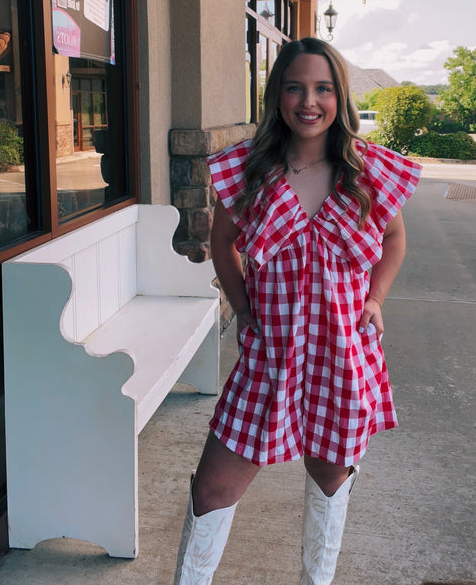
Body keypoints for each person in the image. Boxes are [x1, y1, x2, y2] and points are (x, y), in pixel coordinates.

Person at [173, 37, 421, 585]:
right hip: (271, 355)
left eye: (323, 88)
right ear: (277, 97)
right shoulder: (248, 170)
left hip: (342, 355)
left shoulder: (369, 172)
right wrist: (242, 309)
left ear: (340, 97)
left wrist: (375, 299)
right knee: (213, 486)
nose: (309, 101)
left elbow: (396, 239)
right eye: (295, 87)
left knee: (330, 481)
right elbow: (223, 244)